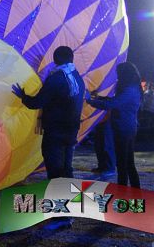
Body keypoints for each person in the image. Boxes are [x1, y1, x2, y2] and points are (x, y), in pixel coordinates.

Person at [12, 46, 84, 231]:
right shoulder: (77, 77)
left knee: (55, 173)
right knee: (66, 171)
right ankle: (70, 213)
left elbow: (37, 102)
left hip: (56, 133)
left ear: (56, 59)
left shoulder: (56, 79)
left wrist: (22, 96)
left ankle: (60, 217)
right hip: (70, 134)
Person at [86, 62, 142, 188]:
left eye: (118, 74)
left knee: (123, 164)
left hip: (124, 129)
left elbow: (111, 104)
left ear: (124, 75)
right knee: (127, 163)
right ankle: (134, 192)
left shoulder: (129, 90)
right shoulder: (132, 88)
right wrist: (99, 98)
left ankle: (125, 191)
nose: (117, 77)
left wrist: (90, 101)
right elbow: (113, 101)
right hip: (127, 127)